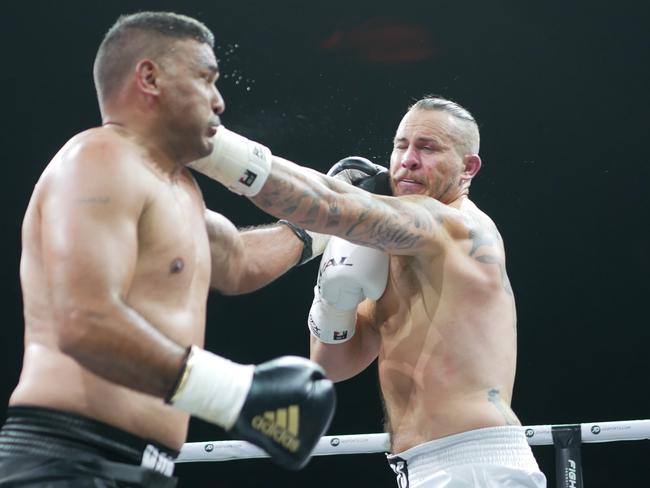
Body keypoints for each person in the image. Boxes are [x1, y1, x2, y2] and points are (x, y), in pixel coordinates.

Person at [0, 11, 338, 486]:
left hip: (146, 465)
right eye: (206, 79)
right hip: (69, 457)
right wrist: (235, 395)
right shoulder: (99, 158)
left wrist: (330, 227)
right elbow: (83, 320)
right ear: (149, 77)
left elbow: (239, 262)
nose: (219, 102)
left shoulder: (177, 190)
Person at [187, 96, 548, 486]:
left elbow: (330, 203)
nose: (408, 159)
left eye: (427, 148)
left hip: (476, 467)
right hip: (425, 467)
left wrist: (211, 146)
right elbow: (331, 365)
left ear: (468, 167)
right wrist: (332, 299)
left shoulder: (454, 228)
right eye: (401, 145)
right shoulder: (390, 255)